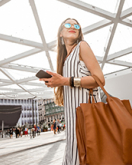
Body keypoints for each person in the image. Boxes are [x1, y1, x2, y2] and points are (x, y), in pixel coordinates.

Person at [39, 18, 105, 165]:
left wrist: (64, 81)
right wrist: (57, 82)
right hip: (72, 121)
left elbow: (100, 79)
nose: (73, 26)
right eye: (68, 24)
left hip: (87, 119)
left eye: (77, 25)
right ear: (61, 33)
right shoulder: (64, 60)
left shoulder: (82, 46)